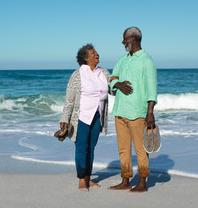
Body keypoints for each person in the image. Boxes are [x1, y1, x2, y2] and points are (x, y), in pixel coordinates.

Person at [108, 27, 157, 193]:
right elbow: (112, 79)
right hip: (120, 111)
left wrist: (150, 113)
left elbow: (152, 88)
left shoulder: (146, 60)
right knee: (123, 149)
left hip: (138, 112)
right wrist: (118, 84)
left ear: (134, 39)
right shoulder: (122, 60)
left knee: (141, 149)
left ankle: (143, 182)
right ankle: (125, 180)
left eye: (125, 40)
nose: (123, 43)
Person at [59, 44, 112, 191]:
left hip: (98, 115)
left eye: (96, 52)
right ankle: (82, 179)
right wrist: (65, 118)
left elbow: (112, 90)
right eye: (92, 53)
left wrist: (119, 84)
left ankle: (88, 178)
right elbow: (69, 99)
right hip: (81, 116)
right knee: (81, 148)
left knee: (91, 148)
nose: (97, 54)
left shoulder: (104, 72)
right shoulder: (77, 75)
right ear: (85, 58)